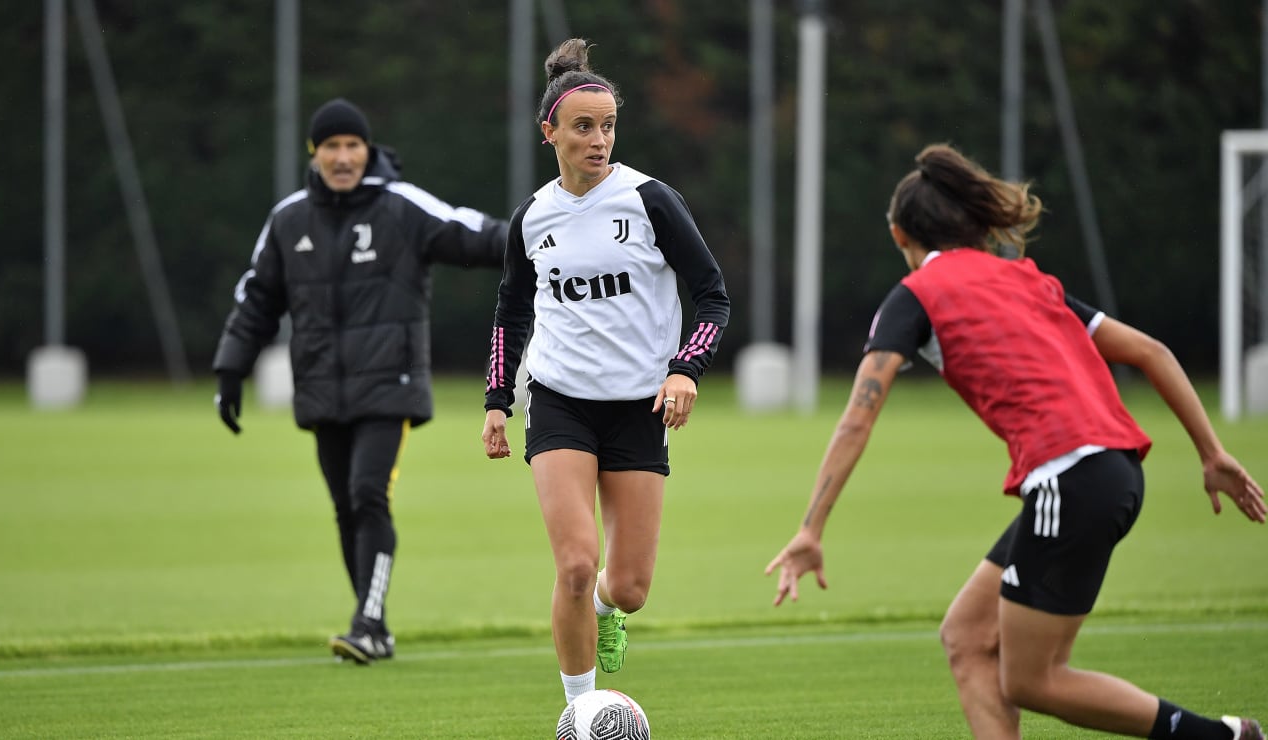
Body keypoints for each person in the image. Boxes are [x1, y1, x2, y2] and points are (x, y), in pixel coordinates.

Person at [764, 143, 1266, 739]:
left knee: (1032, 680)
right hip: (1113, 470)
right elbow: (1152, 352)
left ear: (901, 234)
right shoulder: (1026, 279)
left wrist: (811, 528)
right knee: (967, 638)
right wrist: (1212, 453)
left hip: (1069, 477)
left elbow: (856, 418)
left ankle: (1223, 738)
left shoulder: (916, 295)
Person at [212, 98, 507, 665]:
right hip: (323, 390)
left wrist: (543, 235)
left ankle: (368, 621)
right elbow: (257, 300)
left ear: (367, 150)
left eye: (352, 146)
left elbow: (475, 233)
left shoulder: (401, 206)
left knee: (369, 496)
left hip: (389, 386)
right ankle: (376, 628)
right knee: (346, 509)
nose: (343, 157)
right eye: (331, 147)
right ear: (314, 154)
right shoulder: (289, 219)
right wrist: (231, 370)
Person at [479, 38, 730, 704]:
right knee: (573, 563)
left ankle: (607, 608)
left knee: (626, 587)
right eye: (584, 127)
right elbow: (511, 311)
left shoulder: (650, 201)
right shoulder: (532, 218)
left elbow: (712, 295)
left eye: (608, 126)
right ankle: (581, 711)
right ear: (549, 132)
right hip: (560, 400)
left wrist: (686, 370)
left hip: (640, 407)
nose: (599, 140)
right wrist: (498, 400)